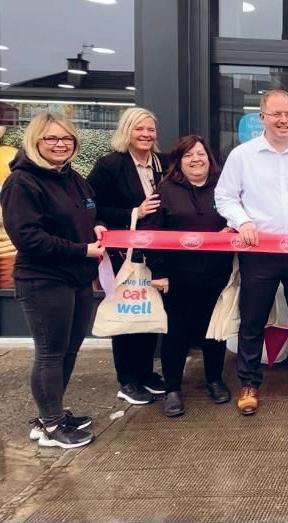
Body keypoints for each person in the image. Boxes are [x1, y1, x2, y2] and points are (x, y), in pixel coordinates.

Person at [215, 89, 288, 416]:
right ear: (262, 117)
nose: (283, 120)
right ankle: (249, 383)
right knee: (253, 319)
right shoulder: (243, 156)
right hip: (259, 251)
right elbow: (225, 197)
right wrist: (242, 221)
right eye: (276, 114)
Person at [2, 112, 105, 448]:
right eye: (51, 138)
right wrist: (83, 249)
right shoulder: (22, 183)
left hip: (77, 277)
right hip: (44, 280)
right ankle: (50, 425)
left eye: (66, 138)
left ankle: (54, 411)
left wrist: (96, 227)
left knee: (69, 349)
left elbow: (86, 214)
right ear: (35, 141)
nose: (60, 144)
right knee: (50, 352)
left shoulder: (73, 177)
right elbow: (28, 238)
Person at [141, 135, 234, 418]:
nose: (196, 160)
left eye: (201, 154)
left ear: (209, 158)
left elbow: (237, 219)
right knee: (176, 333)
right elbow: (152, 233)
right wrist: (158, 272)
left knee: (213, 331)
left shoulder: (223, 188)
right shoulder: (165, 190)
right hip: (177, 276)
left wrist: (232, 229)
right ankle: (172, 389)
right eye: (189, 155)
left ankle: (214, 380)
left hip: (216, 274)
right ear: (179, 162)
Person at [88, 107, 167, 406]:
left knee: (149, 311)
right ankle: (127, 379)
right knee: (127, 314)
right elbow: (91, 205)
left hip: (155, 252)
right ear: (127, 131)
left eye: (150, 129)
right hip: (124, 253)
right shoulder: (110, 164)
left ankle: (145, 373)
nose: (146, 134)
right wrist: (134, 212)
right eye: (139, 129)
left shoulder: (162, 163)